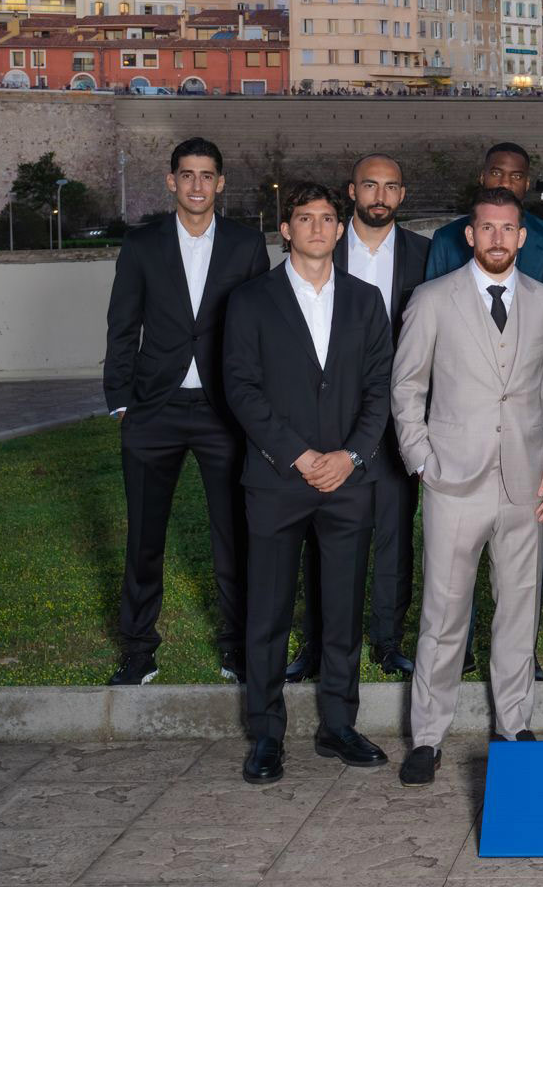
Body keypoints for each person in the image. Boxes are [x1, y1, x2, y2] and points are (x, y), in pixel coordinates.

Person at [392, 189, 543, 786]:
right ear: (470, 235)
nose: (496, 238)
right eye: (485, 228)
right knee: (443, 614)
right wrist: (421, 459)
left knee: (518, 610)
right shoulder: (433, 299)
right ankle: (428, 736)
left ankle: (514, 724)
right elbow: (407, 387)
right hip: (453, 481)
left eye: (507, 229)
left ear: (522, 237)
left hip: (525, 480)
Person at [223, 183, 393, 784]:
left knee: (343, 611)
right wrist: (297, 455)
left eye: (327, 218)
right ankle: (266, 733)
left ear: (340, 228)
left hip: (348, 481)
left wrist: (351, 455)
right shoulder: (250, 301)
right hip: (276, 481)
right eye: (305, 219)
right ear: (286, 230)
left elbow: (380, 390)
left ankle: (337, 725)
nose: (318, 227)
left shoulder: (367, 301)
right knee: (267, 611)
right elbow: (240, 388)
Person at [103, 137, 269, 686]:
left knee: (234, 534)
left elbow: (260, 334)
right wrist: (123, 402)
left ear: (221, 183)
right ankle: (138, 648)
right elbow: (123, 325)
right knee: (144, 539)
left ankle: (238, 648)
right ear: (171, 181)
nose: (197, 185)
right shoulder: (143, 244)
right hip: (155, 409)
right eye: (187, 175)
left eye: (207, 175)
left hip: (225, 410)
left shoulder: (247, 245)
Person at [290, 153, 429, 683]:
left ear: (402, 195)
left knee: (395, 533)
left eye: (390, 187)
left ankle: (388, 640)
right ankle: (317, 641)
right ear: (352, 190)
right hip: (329, 419)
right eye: (369, 185)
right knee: (320, 536)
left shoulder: (426, 254)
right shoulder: (323, 245)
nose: (379, 196)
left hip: (399, 419)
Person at [424, 142, 543, 295]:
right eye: (496, 173)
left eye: (516, 176)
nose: (505, 183)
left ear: (526, 184)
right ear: (482, 177)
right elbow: (432, 300)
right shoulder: (446, 239)